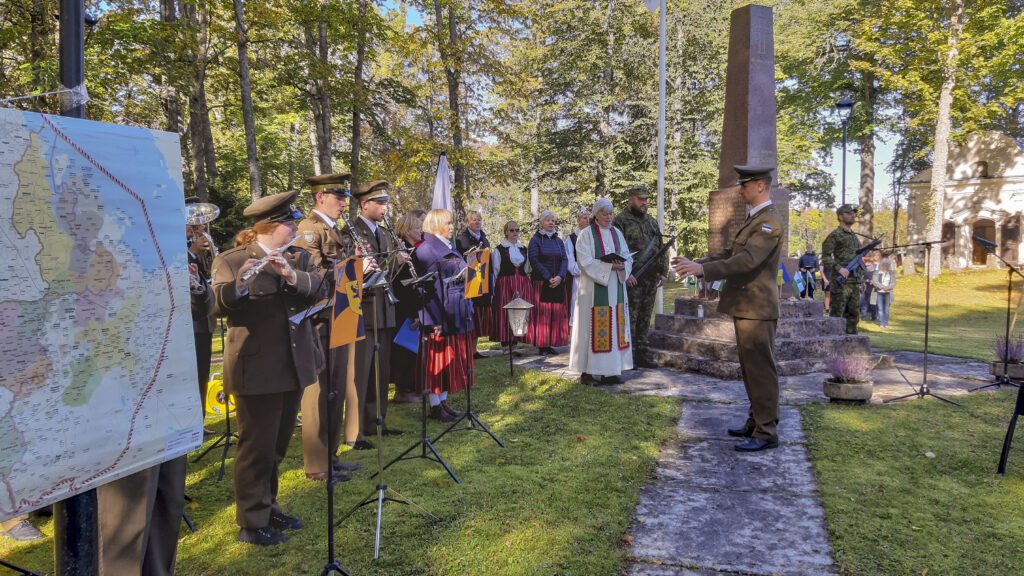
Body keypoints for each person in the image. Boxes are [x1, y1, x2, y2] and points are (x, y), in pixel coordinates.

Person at [211, 190, 327, 546]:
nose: (295, 229)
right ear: (271, 226)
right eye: (290, 223)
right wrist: (240, 286)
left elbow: (320, 290)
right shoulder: (231, 261)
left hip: (293, 363)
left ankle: (268, 504)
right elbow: (216, 307)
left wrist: (291, 275)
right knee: (256, 446)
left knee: (276, 444)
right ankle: (251, 521)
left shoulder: (298, 257)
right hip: (257, 367)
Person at [672, 165, 784, 452]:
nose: (741, 190)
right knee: (750, 369)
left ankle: (766, 431)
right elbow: (728, 254)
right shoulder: (754, 220)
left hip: (757, 307)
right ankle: (755, 421)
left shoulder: (769, 222)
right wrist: (697, 264)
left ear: (761, 186)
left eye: (745, 185)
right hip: (747, 306)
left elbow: (746, 261)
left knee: (760, 370)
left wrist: (703, 270)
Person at [294, 173, 361, 482]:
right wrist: (348, 269)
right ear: (320, 198)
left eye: (344, 197)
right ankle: (318, 462)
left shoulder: (335, 229)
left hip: (340, 316)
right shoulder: (309, 230)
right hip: (320, 320)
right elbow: (313, 272)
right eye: (338, 197)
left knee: (334, 389)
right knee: (319, 392)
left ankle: (332, 454)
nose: (343, 203)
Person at [346, 180, 408, 447]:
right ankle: (355, 431)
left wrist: (399, 260)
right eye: (380, 203)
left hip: (384, 308)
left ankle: (376, 421)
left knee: (380, 371)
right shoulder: (351, 233)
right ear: (364, 204)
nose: (384, 208)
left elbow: (386, 269)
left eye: (386, 203)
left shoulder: (384, 233)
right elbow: (348, 271)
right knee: (360, 373)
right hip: (362, 310)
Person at [412, 209, 474, 421]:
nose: (451, 227)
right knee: (437, 362)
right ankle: (435, 406)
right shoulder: (427, 250)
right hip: (438, 314)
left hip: (454, 310)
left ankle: (444, 402)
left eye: (451, 223)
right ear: (436, 224)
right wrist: (432, 320)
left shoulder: (448, 246)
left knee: (449, 359)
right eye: (447, 224)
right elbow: (424, 291)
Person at [570, 198, 634, 384]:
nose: (609, 217)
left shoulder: (617, 233)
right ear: (595, 215)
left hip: (616, 288)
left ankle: (610, 371)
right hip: (593, 290)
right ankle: (587, 372)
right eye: (605, 213)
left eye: (611, 213)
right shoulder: (586, 235)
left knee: (614, 326)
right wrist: (608, 268)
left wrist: (623, 265)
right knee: (590, 327)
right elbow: (584, 261)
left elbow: (628, 257)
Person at [614, 186, 667, 368]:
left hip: (651, 277)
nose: (644, 203)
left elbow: (660, 247)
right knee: (630, 318)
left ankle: (642, 354)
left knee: (645, 317)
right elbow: (616, 251)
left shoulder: (652, 222)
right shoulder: (620, 221)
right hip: (632, 278)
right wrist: (625, 274)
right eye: (640, 199)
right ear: (631, 199)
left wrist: (663, 272)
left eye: (646, 199)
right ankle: (629, 356)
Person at [185, 198, 217, 431]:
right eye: (191, 222)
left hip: (205, 317)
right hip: (190, 319)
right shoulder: (176, 246)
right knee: (191, 372)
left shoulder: (195, 244)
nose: (196, 228)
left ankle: (200, 419)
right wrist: (193, 251)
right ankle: (191, 421)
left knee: (203, 371)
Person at [392, 213, 426, 403]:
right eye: (417, 227)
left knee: (412, 351)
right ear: (406, 230)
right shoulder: (403, 252)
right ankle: (402, 390)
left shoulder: (413, 250)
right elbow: (405, 286)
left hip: (412, 306)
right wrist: (414, 312)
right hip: (405, 308)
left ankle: (410, 386)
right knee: (404, 351)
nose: (421, 230)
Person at [527, 210, 569, 355]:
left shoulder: (558, 241)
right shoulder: (535, 240)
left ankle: (551, 342)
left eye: (553, 221)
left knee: (554, 313)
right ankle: (542, 345)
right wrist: (547, 277)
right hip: (542, 282)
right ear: (541, 222)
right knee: (543, 314)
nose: (551, 223)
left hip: (557, 281)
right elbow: (534, 259)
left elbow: (565, 259)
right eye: (548, 220)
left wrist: (560, 276)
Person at [456, 210, 493, 359]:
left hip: (483, 279)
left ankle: (474, 349)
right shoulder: (462, 238)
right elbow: (461, 257)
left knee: (479, 315)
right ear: (467, 223)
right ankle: (467, 350)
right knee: (471, 314)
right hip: (470, 281)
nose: (477, 222)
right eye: (474, 220)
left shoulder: (483, 236)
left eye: (479, 220)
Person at [491, 220, 533, 354]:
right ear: (506, 232)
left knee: (519, 311)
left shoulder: (523, 249)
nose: (515, 233)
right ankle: (505, 345)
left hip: (521, 283)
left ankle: (514, 344)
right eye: (511, 230)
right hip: (504, 284)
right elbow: (495, 270)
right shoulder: (499, 249)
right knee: (504, 312)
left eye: (517, 230)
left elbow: (526, 269)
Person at [821, 204, 863, 334]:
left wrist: (860, 280)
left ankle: (852, 346)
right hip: (841, 283)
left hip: (854, 282)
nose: (853, 215)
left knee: (854, 316)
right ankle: (833, 345)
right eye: (849, 213)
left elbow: (858, 259)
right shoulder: (835, 235)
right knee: (837, 316)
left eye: (853, 213)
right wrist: (839, 269)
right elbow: (825, 257)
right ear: (840, 216)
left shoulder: (854, 236)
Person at [565, 208, 590, 327]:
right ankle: (575, 335)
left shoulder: (594, 237)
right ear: (578, 221)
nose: (588, 220)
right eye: (585, 218)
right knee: (577, 305)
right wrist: (582, 271)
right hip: (578, 278)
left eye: (589, 218)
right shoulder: (571, 238)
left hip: (593, 277)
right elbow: (569, 259)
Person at [872, 257, 896, 328]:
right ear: (881, 265)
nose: (886, 266)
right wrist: (882, 287)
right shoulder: (876, 272)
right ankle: (882, 323)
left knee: (886, 309)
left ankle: (886, 323)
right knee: (880, 309)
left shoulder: (891, 273)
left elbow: (893, 282)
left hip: (888, 293)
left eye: (887, 265)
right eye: (884, 264)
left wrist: (887, 288)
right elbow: (875, 282)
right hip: (879, 292)